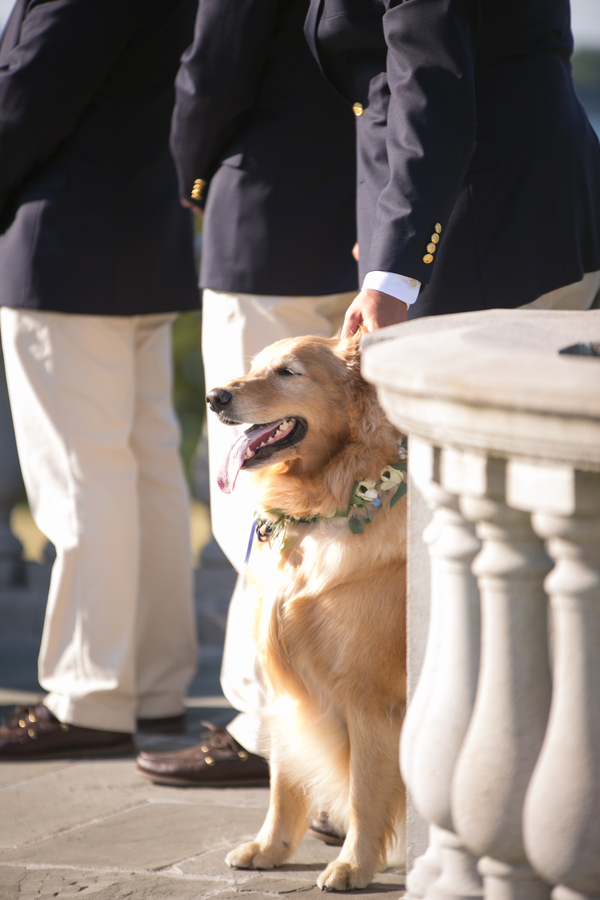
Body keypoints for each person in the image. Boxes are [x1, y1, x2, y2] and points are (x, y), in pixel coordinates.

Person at [135, 0, 358, 789]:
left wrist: (194, 182)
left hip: (267, 218)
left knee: (254, 492)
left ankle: (266, 724)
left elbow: (212, 72)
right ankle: (332, 706)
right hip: (368, 223)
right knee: (344, 485)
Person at [0, 0, 200, 758]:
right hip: (143, 236)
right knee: (145, 469)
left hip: (64, 246)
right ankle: (152, 685)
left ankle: (92, 695)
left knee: (83, 477)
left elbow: (26, 99)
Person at [303, 0, 600, 336]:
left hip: (472, 237)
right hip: (567, 206)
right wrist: (382, 226)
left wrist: (394, 269)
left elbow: (431, 103)